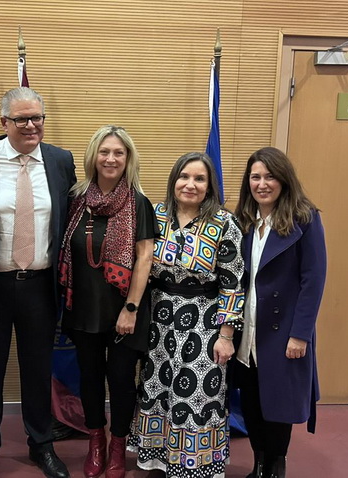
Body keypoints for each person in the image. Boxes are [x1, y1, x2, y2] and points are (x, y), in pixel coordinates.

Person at [0, 87, 76, 478]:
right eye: (22, 119)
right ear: (4, 122)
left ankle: (42, 445)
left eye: (37, 117)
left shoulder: (60, 160)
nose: (31, 125)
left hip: (40, 286)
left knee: (38, 371)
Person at [131, 151, 245, 478]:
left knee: (195, 395)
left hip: (204, 324)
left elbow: (233, 283)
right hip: (160, 321)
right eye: (184, 176)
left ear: (210, 186)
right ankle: (160, 459)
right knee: (157, 388)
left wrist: (226, 336)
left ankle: (195, 465)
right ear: (174, 180)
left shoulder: (224, 223)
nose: (190, 184)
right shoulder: (156, 215)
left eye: (199, 179)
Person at [58, 126, 155, 478]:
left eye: (118, 153)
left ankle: (118, 445)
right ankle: (95, 442)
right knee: (90, 377)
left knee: (121, 379)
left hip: (124, 309)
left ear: (128, 159)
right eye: (104, 151)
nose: (111, 159)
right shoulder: (77, 200)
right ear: (93, 157)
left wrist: (131, 308)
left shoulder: (138, 203)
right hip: (83, 307)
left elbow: (145, 258)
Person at [233, 146, 327, 478]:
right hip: (248, 327)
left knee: (279, 402)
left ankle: (276, 466)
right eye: (255, 177)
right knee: (252, 399)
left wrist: (300, 334)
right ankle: (259, 463)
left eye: (270, 177)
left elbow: (313, 280)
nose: (262, 184)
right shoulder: (244, 220)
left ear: (284, 180)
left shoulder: (305, 218)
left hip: (283, 329)